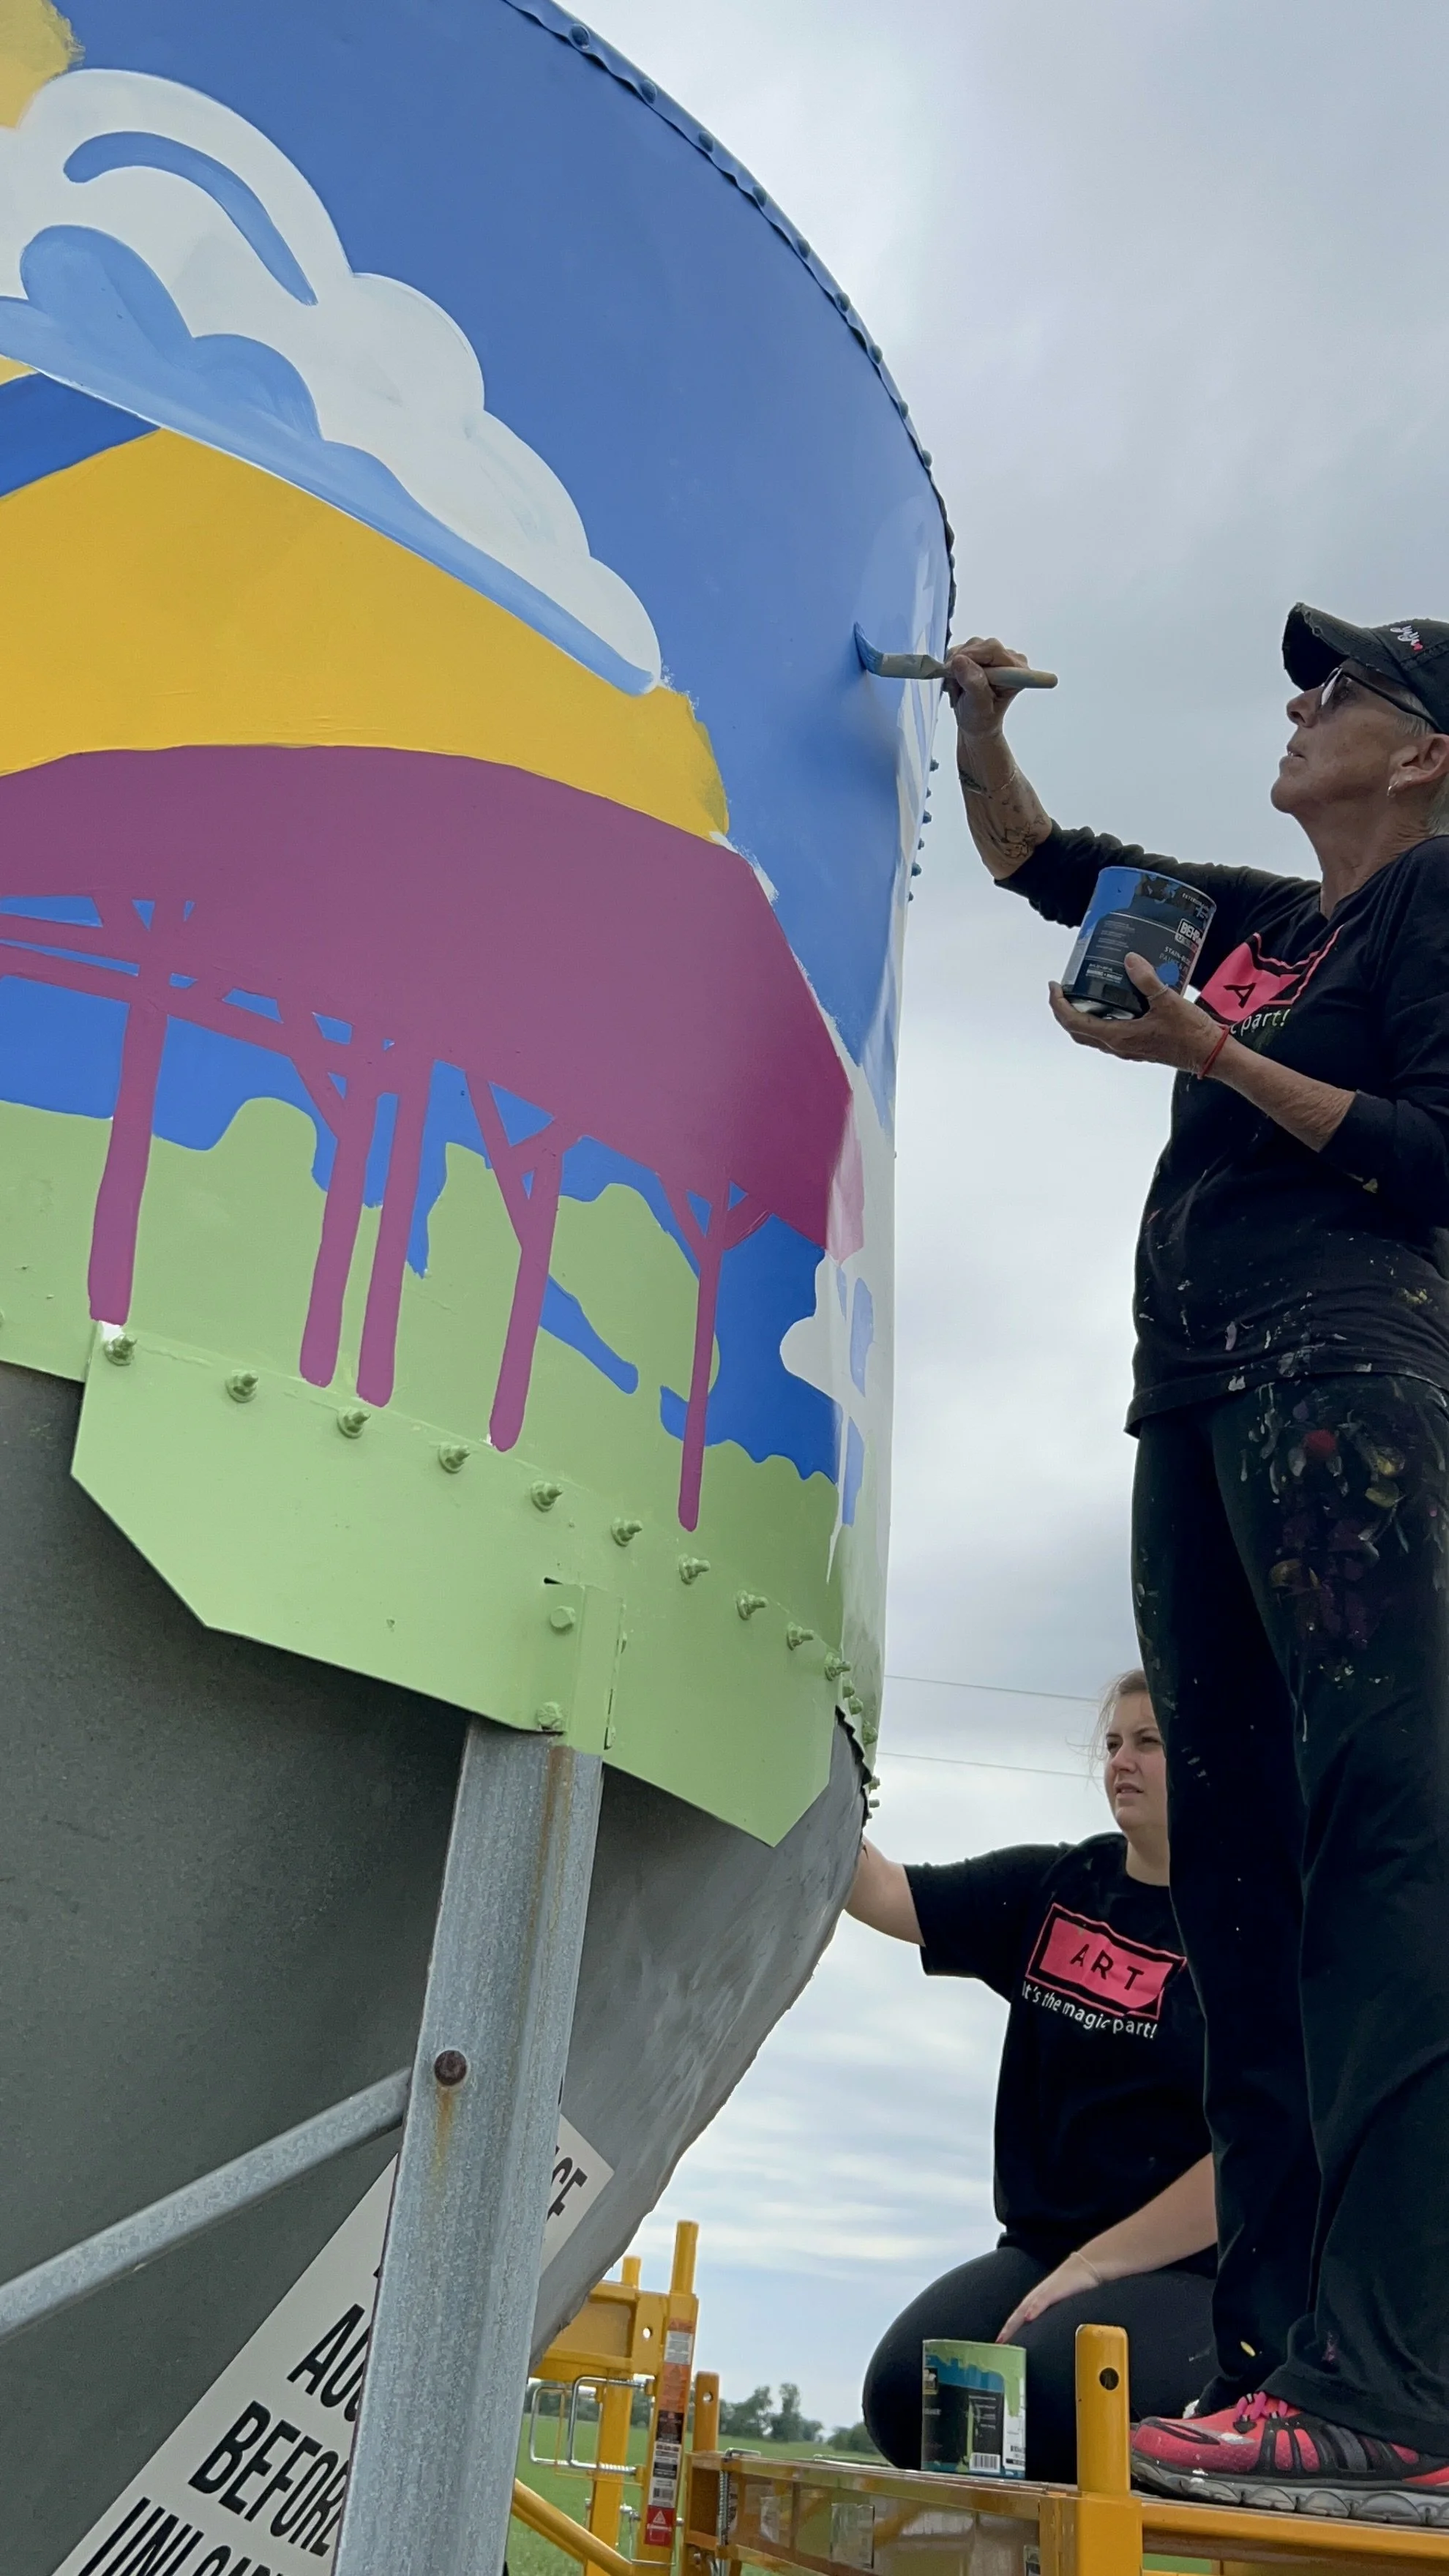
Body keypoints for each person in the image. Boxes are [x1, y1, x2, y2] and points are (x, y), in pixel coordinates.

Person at [946, 607, 1449, 2520]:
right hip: (1193, 1407)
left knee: (1373, 1853)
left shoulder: (1424, 908)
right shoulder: (1246, 912)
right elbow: (1025, 860)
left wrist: (1215, 1059)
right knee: (1235, 1889)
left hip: (1350, 1390)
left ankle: (1395, 2381)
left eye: (1343, 691)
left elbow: (1431, 1154)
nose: (1299, 705)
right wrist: (982, 724)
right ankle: (1274, 2368)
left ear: (1419, 756)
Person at [853, 1672, 1215, 2482]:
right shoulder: (1057, 1888)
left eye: (1149, 1742)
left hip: (1195, 2277)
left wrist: (1093, 2268)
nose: (1123, 1761)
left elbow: (1254, 2158)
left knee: (1052, 2387)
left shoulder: (1249, 1928)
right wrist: (816, 1764)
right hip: (1041, 2251)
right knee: (907, 2392)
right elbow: (881, 1890)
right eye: (1115, 1743)